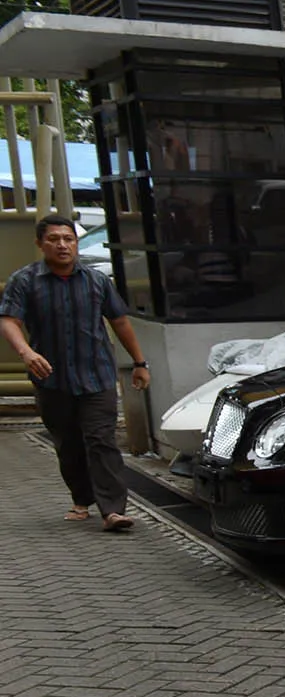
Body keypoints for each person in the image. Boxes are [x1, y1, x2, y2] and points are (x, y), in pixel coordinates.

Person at [0, 216, 152, 532]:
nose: (62, 245)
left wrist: (139, 362)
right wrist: (27, 353)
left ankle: (112, 510)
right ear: (40, 243)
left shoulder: (97, 282)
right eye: (54, 239)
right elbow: (9, 321)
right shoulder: (25, 281)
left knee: (101, 441)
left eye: (68, 239)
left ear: (76, 243)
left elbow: (120, 321)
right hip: (52, 379)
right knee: (68, 444)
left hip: (96, 376)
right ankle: (82, 498)